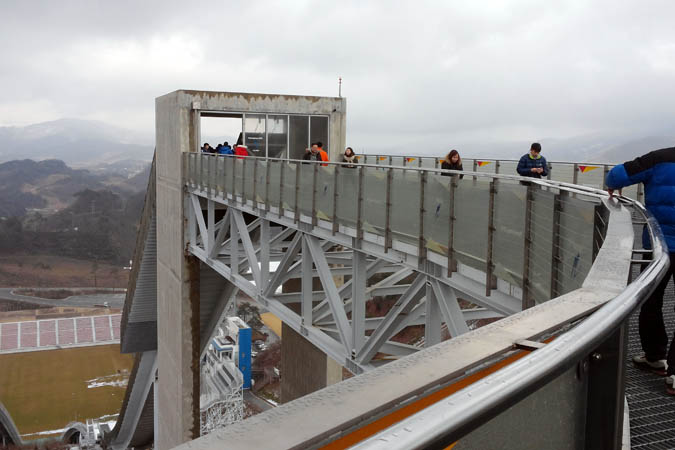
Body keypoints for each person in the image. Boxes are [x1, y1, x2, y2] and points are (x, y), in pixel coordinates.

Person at [606, 147, 675, 393]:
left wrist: (611, 185)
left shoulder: (659, 158)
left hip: (659, 246)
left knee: (652, 300)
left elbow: (615, 176)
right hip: (661, 245)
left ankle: (655, 356)